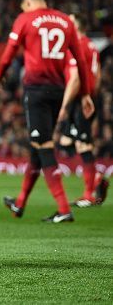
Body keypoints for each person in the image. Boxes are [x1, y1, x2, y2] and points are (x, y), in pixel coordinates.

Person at [0, 0, 95, 223]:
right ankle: (19, 204)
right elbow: (79, 60)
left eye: (23, 6)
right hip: (58, 90)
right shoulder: (65, 21)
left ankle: (63, 209)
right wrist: (86, 94)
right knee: (37, 149)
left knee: (44, 146)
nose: (22, 10)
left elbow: (9, 52)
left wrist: (0, 75)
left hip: (36, 90)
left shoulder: (25, 19)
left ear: (28, 2)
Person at [58, 13, 107, 207]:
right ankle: (95, 180)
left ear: (77, 26)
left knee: (83, 145)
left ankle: (90, 193)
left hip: (79, 100)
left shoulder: (76, 45)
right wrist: (93, 96)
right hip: (91, 97)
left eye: (69, 22)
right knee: (68, 141)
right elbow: (99, 75)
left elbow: (76, 78)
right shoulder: (93, 46)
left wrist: (65, 105)